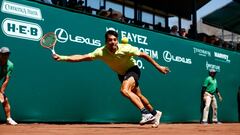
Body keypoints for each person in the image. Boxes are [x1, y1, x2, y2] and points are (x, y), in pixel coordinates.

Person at [52, 30, 170, 127]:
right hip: (121, 74)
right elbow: (82, 57)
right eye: (110, 40)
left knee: (124, 90)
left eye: (114, 39)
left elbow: (144, 55)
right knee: (138, 96)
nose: (112, 42)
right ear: (106, 41)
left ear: (117, 40)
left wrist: (158, 67)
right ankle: (155, 113)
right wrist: (62, 57)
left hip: (133, 70)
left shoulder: (126, 48)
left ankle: (145, 113)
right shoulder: (101, 52)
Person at [0, 47, 18, 125]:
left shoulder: (10, 65)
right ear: (0, 55)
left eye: (7, 54)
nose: (6, 56)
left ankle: (8, 119)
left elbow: (6, 79)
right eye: (4, 54)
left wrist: (2, 91)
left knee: (5, 100)